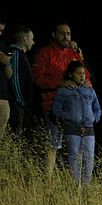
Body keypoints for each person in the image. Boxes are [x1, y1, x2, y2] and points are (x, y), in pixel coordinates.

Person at [32, 22, 91, 177]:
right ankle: (48, 180)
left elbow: (86, 75)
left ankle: (75, 181)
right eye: (62, 33)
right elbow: (37, 78)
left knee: (76, 146)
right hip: (52, 106)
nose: (66, 36)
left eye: (68, 33)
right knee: (53, 144)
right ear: (54, 34)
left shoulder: (73, 54)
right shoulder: (45, 53)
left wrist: (87, 82)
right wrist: (59, 83)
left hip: (75, 109)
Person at [51, 61, 101, 185]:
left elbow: (97, 108)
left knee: (89, 158)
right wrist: (68, 117)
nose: (82, 76)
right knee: (74, 158)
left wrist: (93, 118)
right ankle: (75, 186)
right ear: (70, 74)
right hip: (72, 128)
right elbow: (56, 110)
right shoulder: (64, 91)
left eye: (83, 73)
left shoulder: (89, 90)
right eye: (78, 73)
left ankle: (86, 186)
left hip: (88, 128)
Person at [8, 25, 35, 133]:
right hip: (17, 104)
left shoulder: (22, 55)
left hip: (20, 103)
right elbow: (14, 79)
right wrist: (20, 101)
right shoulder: (15, 54)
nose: (33, 42)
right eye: (31, 39)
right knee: (15, 134)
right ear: (25, 39)